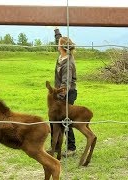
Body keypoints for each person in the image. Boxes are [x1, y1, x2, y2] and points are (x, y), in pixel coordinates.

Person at [50, 28, 77, 156]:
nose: (57, 44)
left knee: (65, 120)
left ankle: (71, 148)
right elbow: (59, 40)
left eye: (59, 44)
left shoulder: (68, 64)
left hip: (67, 93)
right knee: (53, 120)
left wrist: (58, 98)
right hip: (59, 93)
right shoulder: (62, 56)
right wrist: (56, 31)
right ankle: (54, 147)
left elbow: (66, 83)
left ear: (62, 47)